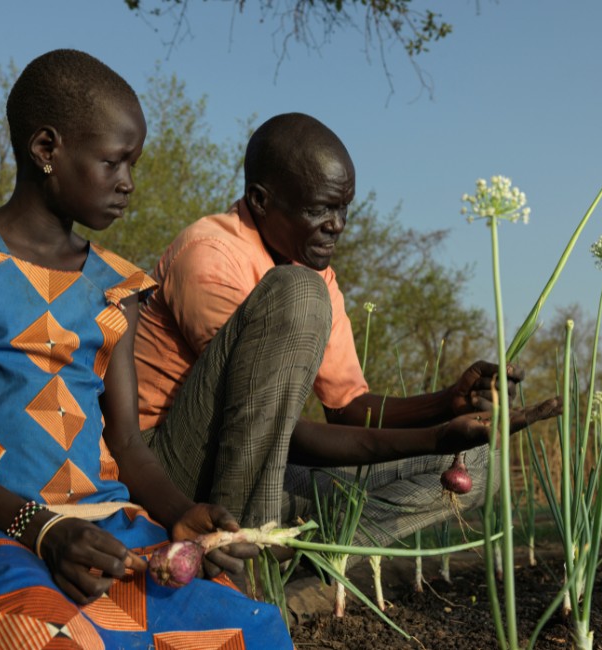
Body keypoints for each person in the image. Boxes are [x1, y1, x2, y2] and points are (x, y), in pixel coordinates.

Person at [0, 49, 292, 649]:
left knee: (246, 628)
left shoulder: (117, 285)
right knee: (44, 631)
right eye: (113, 162)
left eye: (132, 163)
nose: (128, 183)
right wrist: (43, 529)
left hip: (109, 526)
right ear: (47, 150)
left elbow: (127, 443)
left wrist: (180, 511)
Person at [135, 112, 562, 552]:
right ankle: (240, 569)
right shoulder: (212, 256)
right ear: (261, 200)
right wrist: (432, 436)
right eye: (319, 209)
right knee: (299, 292)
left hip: (264, 465)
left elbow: (347, 408)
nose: (337, 225)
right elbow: (258, 424)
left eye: (343, 208)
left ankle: (315, 570)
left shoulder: (312, 272)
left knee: (475, 463)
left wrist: (445, 403)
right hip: (172, 469)